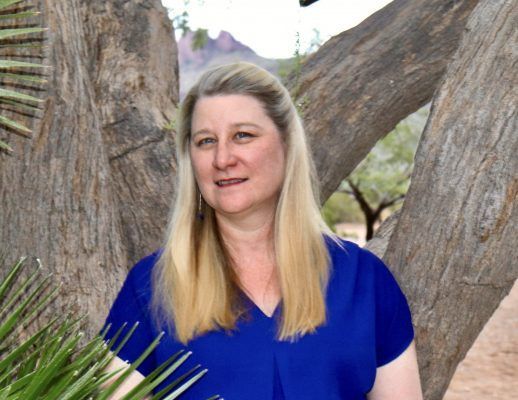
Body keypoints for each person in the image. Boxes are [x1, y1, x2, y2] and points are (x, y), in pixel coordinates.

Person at [102, 62, 423, 400]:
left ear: (286, 145)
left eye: (243, 135)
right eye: (206, 141)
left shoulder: (365, 283)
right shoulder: (152, 288)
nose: (222, 158)